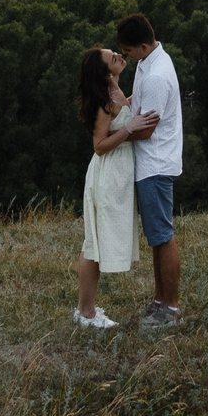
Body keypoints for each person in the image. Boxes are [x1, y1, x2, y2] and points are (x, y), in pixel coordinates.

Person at [74, 45, 158, 328]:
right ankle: (85, 313)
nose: (119, 57)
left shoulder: (117, 93)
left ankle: (87, 309)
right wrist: (129, 127)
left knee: (96, 241)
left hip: (118, 175)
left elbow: (124, 113)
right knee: (93, 242)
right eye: (113, 58)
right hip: (106, 176)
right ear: (105, 70)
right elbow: (99, 146)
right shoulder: (105, 100)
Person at [117, 12, 184, 326]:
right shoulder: (148, 63)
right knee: (156, 237)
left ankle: (170, 308)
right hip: (148, 164)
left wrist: (116, 135)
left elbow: (146, 129)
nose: (127, 57)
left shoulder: (157, 75)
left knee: (163, 236)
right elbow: (138, 104)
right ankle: (159, 300)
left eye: (129, 51)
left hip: (156, 163)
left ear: (142, 46)